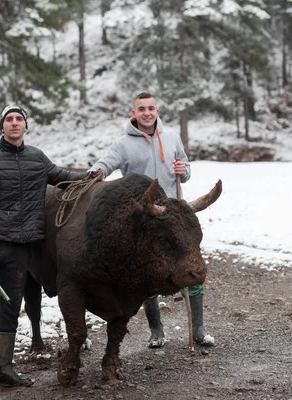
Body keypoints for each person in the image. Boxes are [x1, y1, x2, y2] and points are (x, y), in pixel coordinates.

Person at [0, 105, 91, 394]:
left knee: (11, 307)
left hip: (20, 249)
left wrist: (91, 177)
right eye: (9, 120)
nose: (15, 123)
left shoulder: (37, 159)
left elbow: (62, 178)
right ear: (1, 127)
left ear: (25, 126)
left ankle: (4, 369)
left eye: (19, 119)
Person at [90, 92, 215, 348]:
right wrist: (95, 173)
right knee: (150, 276)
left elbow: (186, 167)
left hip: (173, 217)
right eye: (141, 109)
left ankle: (199, 329)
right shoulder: (123, 143)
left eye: (151, 108)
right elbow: (105, 163)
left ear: (157, 111)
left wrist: (185, 170)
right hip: (145, 221)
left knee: (191, 265)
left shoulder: (171, 138)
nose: (147, 113)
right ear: (133, 114)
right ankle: (156, 330)